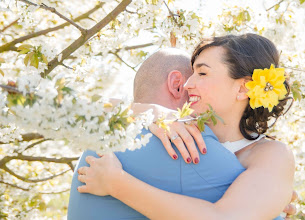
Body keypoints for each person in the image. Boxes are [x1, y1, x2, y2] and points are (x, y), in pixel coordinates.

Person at [77, 34, 296, 220]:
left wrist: (116, 184)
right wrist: (153, 112)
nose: (188, 84)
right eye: (191, 73)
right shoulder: (174, 126)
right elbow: (96, 109)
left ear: (243, 89)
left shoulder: (270, 154)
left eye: (202, 73)